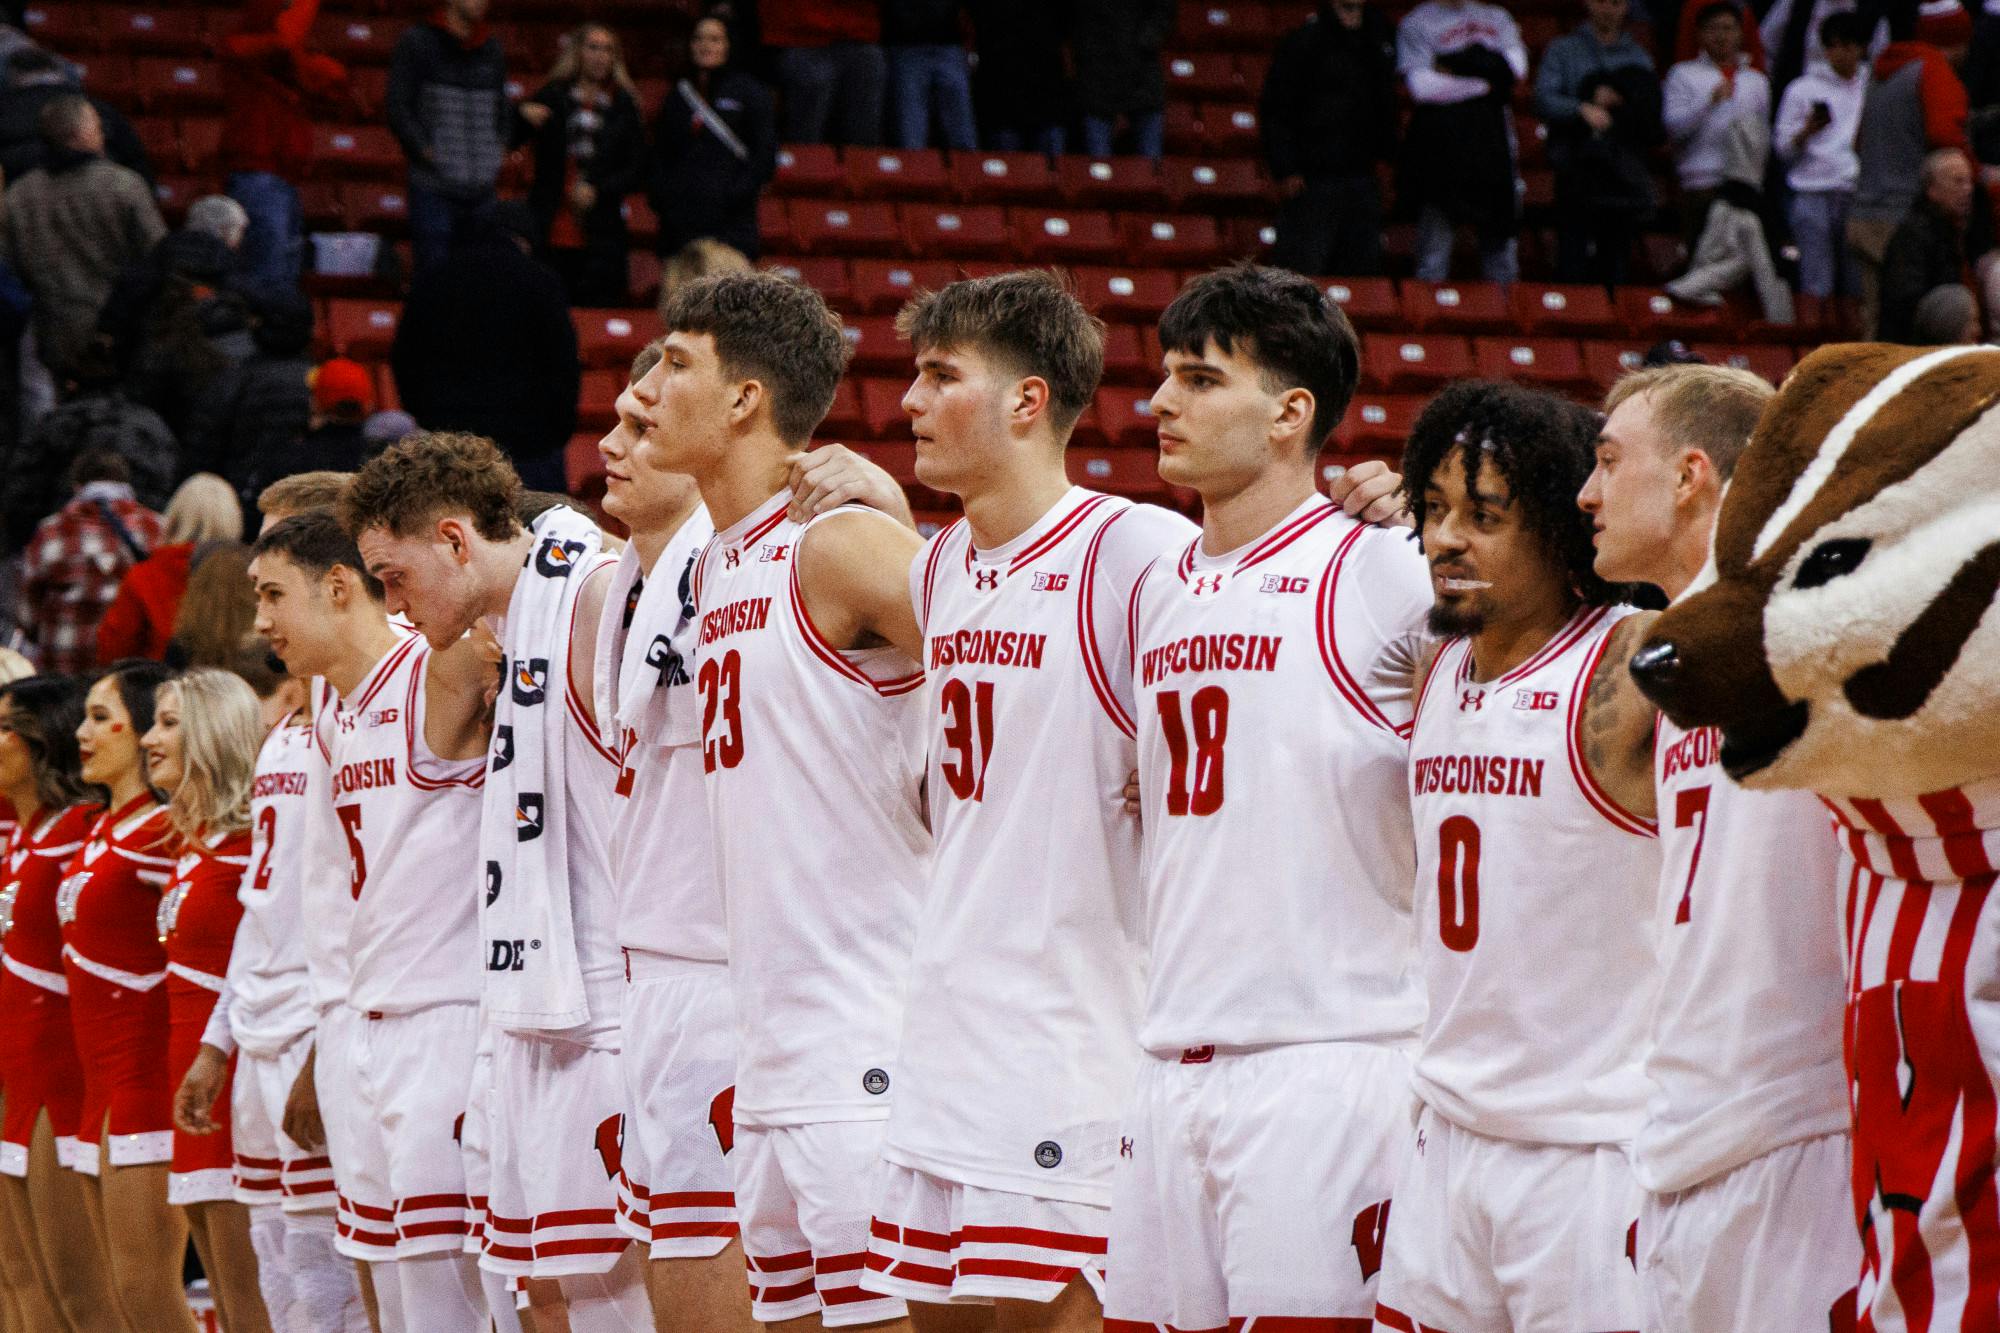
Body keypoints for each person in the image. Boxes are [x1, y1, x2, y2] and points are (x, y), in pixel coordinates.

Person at [794, 272, 1196, 1332]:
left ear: (1026, 402)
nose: (909, 403)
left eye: (940, 377)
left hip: (1070, 1035)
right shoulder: (944, 571)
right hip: (941, 1033)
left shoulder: (1132, 551)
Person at [1093, 266, 1430, 1331]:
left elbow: (1559, 631)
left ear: (1291, 413)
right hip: (1169, 1059)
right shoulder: (1157, 583)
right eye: (1163, 377)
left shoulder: (1377, 568)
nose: (1159, 403)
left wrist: (1428, 523)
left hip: (1325, 1060)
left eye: (1198, 379)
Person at [626, 269, 928, 1327]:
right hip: (769, 1044)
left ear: (745, 398)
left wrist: (906, 528)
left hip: (865, 1042)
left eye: (673, 363)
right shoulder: (714, 562)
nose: (647, 389)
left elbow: (1008, 661)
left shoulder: (834, 540)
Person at [340, 434, 654, 1329]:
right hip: (526, 1007)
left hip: (604, 1008)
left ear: (453, 539)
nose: (391, 603)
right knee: (541, 1290)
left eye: (394, 575)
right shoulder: (505, 633)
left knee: (616, 1296)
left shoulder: (589, 596)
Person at [1574, 365, 1859, 1332]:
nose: (1587, 492)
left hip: (1794, 1123)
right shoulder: (1667, 650)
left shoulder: (1810, 619)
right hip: (1677, 1126)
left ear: (1692, 474)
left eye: (1610, 462)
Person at [1373, 380, 1660, 1333]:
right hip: (1444, 1132)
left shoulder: (1627, 664)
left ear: (1562, 526)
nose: (1447, 539)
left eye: (1484, 517)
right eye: (1434, 511)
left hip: (1588, 1150)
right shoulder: (1434, 662)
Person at [247, 505, 506, 1330]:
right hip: (364, 1021)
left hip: (452, 1012)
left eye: (272, 595)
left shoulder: (446, 664)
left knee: (466, 1295)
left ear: (336, 587)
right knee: (390, 1296)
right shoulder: (328, 706)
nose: (259, 622)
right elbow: (329, 897)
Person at [590, 345, 750, 1331]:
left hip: (726, 977)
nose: (610, 445)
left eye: (641, 427)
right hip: (647, 978)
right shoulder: (621, 585)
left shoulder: (752, 561)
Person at [173, 650, 367, 1333]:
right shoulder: (279, 736)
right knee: (275, 1270)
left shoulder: (356, 726)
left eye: (275, 593)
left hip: (313, 1029)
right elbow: (263, 913)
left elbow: (350, 905)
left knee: (330, 1276)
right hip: (254, 1036)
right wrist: (215, 1043)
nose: (262, 618)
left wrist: (323, 1046)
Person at [58, 658, 192, 1330]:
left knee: (145, 1288)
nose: (83, 732)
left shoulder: (163, 833)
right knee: (108, 1298)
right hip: (94, 1084)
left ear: (143, 732)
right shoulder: (99, 829)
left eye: (101, 717)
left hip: (144, 1078)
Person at [144, 667, 272, 1333]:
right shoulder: (195, 848)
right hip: (193, 1081)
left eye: (168, 723)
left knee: (252, 1303)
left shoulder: (249, 846)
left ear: (212, 734)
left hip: (235, 1078)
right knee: (227, 1298)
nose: (148, 737)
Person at [0, 675, 122, 1331]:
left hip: (67, 1075)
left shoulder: (79, 827)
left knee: (83, 1293)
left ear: (43, 738)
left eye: (4, 728)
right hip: (15, 1070)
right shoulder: (22, 835)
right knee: (17, 1282)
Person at [388, 203, 580, 494]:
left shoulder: (436, 278)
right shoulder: (542, 282)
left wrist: (428, 416)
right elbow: (563, 365)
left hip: (448, 443)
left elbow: (405, 356)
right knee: (533, 533)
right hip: (527, 449)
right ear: (526, 240)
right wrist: (551, 435)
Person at [0, 93, 165, 379]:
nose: (102, 132)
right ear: (80, 134)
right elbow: (159, 255)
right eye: (96, 126)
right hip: (120, 334)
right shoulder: (124, 186)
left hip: (55, 336)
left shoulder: (18, 196)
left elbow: (10, 268)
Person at [1846, 5, 1970, 336]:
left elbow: (1857, 142)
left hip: (1861, 212)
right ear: (1956, 42)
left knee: (1873, 323)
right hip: (1901, 219)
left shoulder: (1876, 74)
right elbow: (1947, 136)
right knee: (1921, 326)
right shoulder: (1932, 70)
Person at [220, 0, 352, 293]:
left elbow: (336, 82)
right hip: (256, 176)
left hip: (284, 180)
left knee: (281, 278)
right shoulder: (242, 47)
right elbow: (283, 42)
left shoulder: (293, 61)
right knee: (265, 280)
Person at [1262, 0, 1401, 277]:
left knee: (1362, 273)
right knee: (1302, 274)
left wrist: (1390, 159)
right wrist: (1286, 168)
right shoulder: (1304, 41)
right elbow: (1275, 109)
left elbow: (1388, 107)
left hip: (1364, 177)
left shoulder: (1381, 37)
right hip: (1313, 178)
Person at [1397, 0, 1529, 283]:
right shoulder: (1418, 22)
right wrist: (1486, 84)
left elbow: (1515, 70)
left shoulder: (1497, 17)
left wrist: (1454, 67)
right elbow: (1423, 87)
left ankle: (1504, 322)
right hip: (1442, 153)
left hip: (1493, 149)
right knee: (1434, 258)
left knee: (1502, 259)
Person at [1535, 0, 1664, 286]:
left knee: (1616, 257)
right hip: (1575, 164)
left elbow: (1651, 116)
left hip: (1622, 170)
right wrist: (1581, 109)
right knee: (1572, 252)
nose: (1608, 9)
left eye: (1616, 2)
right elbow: (1544, 98)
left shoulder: (1639, 57)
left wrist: (1622, 103)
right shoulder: (1563, 49)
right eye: (1602, 1)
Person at [0, 344, 177, 550]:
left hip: (64, 550)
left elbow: (20, 498)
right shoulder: (153, 427)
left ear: (71, 384)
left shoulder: (55, 426)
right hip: (141, 548)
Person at [521, 23, 646, 307]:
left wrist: (598, 189)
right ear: (577, 52)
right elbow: (509, 137)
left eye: (608, 49)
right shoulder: (551, 96)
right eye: (593, 47)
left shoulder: (625, 105)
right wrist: (520, 113)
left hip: (602, 231)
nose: (600, 56)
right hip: (550, 221)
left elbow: (638, 169)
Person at [387, 0, 515, 275]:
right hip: (433, 187)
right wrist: (424, 150)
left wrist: (498, 150)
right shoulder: (417, 42)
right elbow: (398, 106)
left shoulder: (491, 48)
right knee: (434, 278)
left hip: (482, 189)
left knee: (479, 280)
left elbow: (502, 107)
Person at [19, 451, 164, 676]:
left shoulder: (52, 530)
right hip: (131, 669)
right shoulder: (156, 528)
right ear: (127, 484)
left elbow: (28, 609)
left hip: (63, 666)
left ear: (77, 486)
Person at [648, 16, 776, 263]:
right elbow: (660, 156)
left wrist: (729, 197)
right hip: (679, 230)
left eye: (715, 39)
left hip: (731, 228)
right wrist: (666, 200)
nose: (705, 45)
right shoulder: (677, 94)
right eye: (699, 38)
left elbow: (763, 157)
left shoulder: (751, 92)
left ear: (729, 45)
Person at [183, 288, 316, 521]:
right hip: (305, 511)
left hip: (239, 509)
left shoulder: (232, 382)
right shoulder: (323, 383)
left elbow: (201, 455)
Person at [96, 473, 245, 664]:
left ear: (175, 516)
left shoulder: (145, 575)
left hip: (158, 686)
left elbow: (113, 648)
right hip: (229, 688)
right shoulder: (248, 575)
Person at [1776, 12, 1870, 298]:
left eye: (1848, 45)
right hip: (1811, 189)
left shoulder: (1873, 85)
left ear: (1861, 48)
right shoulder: (1803, 89)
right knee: (1817, 280)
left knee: (1857, 282)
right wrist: (1805, 132)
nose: (1840, 53)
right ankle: (1815, 336)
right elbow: (1781, 148)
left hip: (1855, 189)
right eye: (1833, 46)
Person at [1663, 2, 1772, 244]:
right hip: (1702, 183)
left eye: (1728, 28)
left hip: (1746, 186)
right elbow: (1674, 128)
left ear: (1740, 33)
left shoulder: (1757, 81)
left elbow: (1764, 134)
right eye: (1713, 29)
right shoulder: (1682, 74)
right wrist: (1707, 103)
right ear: (1700, 34)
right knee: (1701, 263)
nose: (1721, 36)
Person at [1880, 147, 1996, 342]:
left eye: (1969, 181)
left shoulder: (1963, 228)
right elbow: (1906, 303)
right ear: (1932, 190)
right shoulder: (1913, 236)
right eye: (1958, 182)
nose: (1967, 190)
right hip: (1916, 347)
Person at [762, 0, 887, 146]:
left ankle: (864, 167)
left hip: (860, 33)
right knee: (806, 132)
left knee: (864, 132)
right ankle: (804, 166)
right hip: (801, 35)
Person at [1073, 0, 1175, 159]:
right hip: (1098, 78)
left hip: (1143, 77)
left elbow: (1164, 12)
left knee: (1150, 168)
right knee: (1100, 170)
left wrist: (1144, 42)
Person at [967, 0, 1070, 153]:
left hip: (1046, 99)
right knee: (1006, 170)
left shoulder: (1049, 11)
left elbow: (1066, 32)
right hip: (1004, 100)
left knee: (1053, 170)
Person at [883, 0, 977, 151]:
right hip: (906, 46)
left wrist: (969, 44)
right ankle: (913, 171)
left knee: (961, 131)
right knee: (911, 132)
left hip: (949, 44)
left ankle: (970, 172)